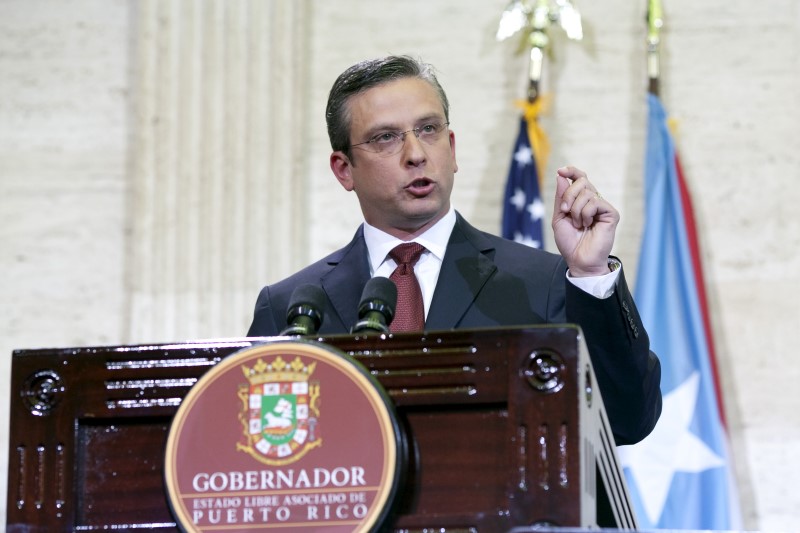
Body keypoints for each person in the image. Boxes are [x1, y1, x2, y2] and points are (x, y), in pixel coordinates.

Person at [247, 55, 661, 445]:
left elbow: (627, 420)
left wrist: (590, 276)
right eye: (385, 138)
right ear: (343, 169)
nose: (416, 154)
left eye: (428, 130)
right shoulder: (289, 309)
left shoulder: (544, 283)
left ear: (452, 147)